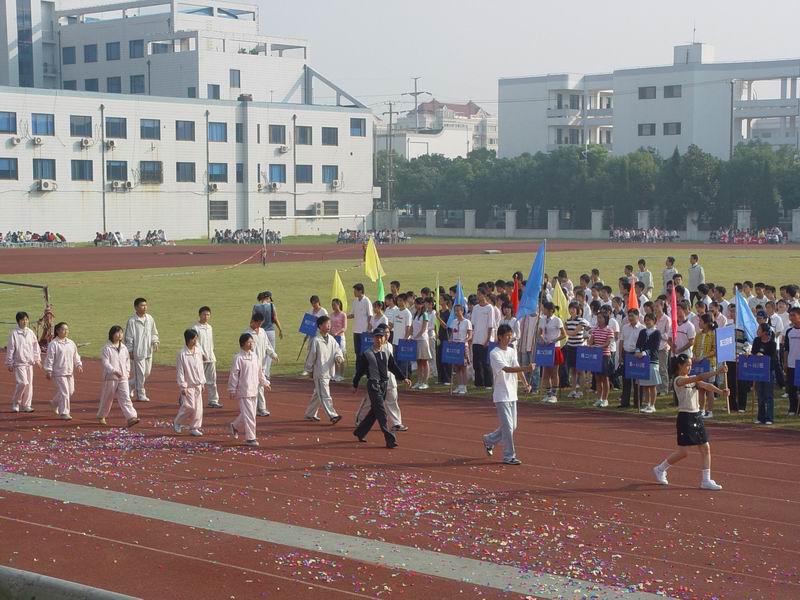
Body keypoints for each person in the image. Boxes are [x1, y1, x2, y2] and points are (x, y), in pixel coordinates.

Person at [653, 354, 728, 491]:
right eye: (687, 365)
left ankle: (706, 480)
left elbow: (706, 385)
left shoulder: (691, 379)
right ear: (679, 366)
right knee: (683, 452)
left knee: (705, 448)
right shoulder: (679, 380)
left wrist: (721, 391)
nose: (689, 367)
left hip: (697, 416)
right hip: (685, 417)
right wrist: (717, 372)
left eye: (690, 365)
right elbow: (699, 378)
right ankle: (660, 469)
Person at [482, 324, 534, 466]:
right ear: (500, 337)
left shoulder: (512, 351)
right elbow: (507, 369)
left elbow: (517, 369)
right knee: (508, 427)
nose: (509, 338)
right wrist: (527, 368)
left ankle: (489, 439)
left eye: (511, 335)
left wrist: (525, 383)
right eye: (507, 336)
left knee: (512, 426)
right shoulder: (494, 353)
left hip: (512, 393)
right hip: (501, 395)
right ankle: (509, 456)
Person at [352, 327, 412, 448]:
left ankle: (360, 432)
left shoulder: (386, 352)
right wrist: (355, 384)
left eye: (381, 337)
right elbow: (360, 371)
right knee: (381, 413)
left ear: (385, 338)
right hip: (373, 385)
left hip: (384, 385)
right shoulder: (367, 354)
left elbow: (393, 366)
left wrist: (403, 378)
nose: (379, 339)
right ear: (373, 338)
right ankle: (389, 438)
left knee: (374, 413)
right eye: (377, 337)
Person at [229, 333, 271, 447]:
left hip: (254, 389)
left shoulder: (254, 356)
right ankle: (250, 438)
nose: (252, 344)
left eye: (252, 342)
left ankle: (235, 426)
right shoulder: (238, 358)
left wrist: (265, 382)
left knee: (248, 414)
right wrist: (232, 389)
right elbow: (234, 374)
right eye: (249, 342)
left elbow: (259, 372)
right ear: (243, 344)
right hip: (244, 391)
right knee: (250, 415)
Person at [303, 315, 345, 423]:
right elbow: (311, 356)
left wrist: (339, 357)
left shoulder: (331, 339)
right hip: (320, 372)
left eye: (329, 324)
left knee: (318, 394)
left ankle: (310, 413)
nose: (329, 326)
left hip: (328, 371)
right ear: (320, 326)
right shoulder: (316, 340)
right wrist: (308, 370)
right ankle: (332, 415)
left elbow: (337, 350)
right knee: (325, 395)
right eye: (327, 324)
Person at [98, 325, 139, 427]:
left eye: (121, 332)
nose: (120, 335)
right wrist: (113, 371)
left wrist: (127, 371)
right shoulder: (106, 348)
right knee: (107, 397)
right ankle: (102, 415)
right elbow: (105, 363)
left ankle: (131, 417)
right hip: (111, 377)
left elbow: (127, 361)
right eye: (118, 332)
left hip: (123, 377)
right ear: (112, 334)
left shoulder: (124, 348)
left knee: (125, 397)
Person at [42, 322, 82, 420]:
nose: (66, 331)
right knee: (64, 392)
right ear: (57, 331)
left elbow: (75, 355)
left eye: (67, 329)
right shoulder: (54, 344)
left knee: (70, 391)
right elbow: (50, 358)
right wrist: (48, 370)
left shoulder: (71, 343)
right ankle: (64, 412)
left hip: (69, 371)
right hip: (58, 372)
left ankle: (54, 403)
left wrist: (78, 364)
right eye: (63, 329)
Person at [124, 297, 159, 403]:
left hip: (148, 351)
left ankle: (130, 385)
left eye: (145, 305)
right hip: (137, 351)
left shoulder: (150, 318)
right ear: (136, 307)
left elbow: (154, 332)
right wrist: (130, 350)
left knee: (146, 373)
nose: (144, 307)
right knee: (140, 374)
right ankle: (141, 394)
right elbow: (129, 337)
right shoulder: (132, 321)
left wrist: (155, 341)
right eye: (142, 305)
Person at [6, 311, 42, 413]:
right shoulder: (14, 333)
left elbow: (36, 347)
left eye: (26, 319)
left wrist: (37, 359)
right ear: (18, 321)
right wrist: (9, 362)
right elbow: (11, 348)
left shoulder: (30, 332)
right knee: (23, 383)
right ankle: (16, 402)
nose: (25, 322)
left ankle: (26, 405)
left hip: (29, 363)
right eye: (22, 320)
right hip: (19, 363)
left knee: (29, 385)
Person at [244, 313, 278, 417]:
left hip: (262, 364)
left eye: (261, 323)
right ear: (253, 321)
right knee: (257, 387)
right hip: (252, 365)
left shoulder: (262, 332)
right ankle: (261, 408)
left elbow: (267, 345)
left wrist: (273, 354)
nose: (259, 326)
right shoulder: (247, 334)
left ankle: (256, 407)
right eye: (257, 323)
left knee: (259, 386)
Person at [173, 329, 206, 437]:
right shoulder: (182, 354)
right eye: (194, 339)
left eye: (196, 338)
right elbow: (180, 371)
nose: (196, 341)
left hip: (198, 384)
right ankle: (177, 422)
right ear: (188, 339)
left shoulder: (198, 351)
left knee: (198, 408)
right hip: (188, 385)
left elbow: (201, 367)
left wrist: (202, 382)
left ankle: (194, 427)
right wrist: (183, 386)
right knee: (189, 406)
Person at [538, 301, 566, 403]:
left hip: (554, 348)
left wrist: (553, 340)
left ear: (550, 310)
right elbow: (540, 332)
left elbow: (564, 334)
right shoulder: (542, 320)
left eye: (544, 308)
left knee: (554, 372)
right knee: (545, 373)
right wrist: (542, 338)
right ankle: (548, 394)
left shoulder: (557, 320)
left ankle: (554, 395)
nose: (543, 310)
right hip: (545, 347)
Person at [692, 314, 719, 419]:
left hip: (709, 364)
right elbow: (694, 348)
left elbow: (715, 350)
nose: (699, 323)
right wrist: (694, 356)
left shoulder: (713, 335)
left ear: (707, 323)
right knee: (700, 387)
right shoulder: (698, 335)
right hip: (699, 364)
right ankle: (701, 409)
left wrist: (703, 356)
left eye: (701, 322)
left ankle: (710, 411)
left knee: (709, 388)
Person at [193, 306, 220, 408]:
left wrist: (210, 354)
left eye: (208, 314)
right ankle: (186, 398)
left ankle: (213, 400)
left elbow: (211, 343)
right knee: (197, 381)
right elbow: (196, 342)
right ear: (200, 315)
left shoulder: (210, 327)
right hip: (200, 359)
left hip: (211, 358)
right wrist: (202, 354)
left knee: (212, 380)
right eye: (204, 314)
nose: (206, 316)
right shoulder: (195, 328)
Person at [471, 288, 498, 389]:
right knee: (476, 362)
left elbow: (491, 325)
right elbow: (472, 324)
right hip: (476, 339)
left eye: (479, 294)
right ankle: (479, 383)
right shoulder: (476, 308)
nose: (478, 296)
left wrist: (487, 340)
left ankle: (488, 383)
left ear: (484, 295)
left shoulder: (489, 308)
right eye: (477, 294)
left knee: (486, 362)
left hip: (486, 339)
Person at [635, 312, 662, 413]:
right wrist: (637, 351)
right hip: (642, 360)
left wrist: (645, 353)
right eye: (646, 320)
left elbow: (655, 347)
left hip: (652, 360)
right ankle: (647, 404)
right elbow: (638, 343)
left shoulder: (657, 333)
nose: (647, 322)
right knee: (645, 384)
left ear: (654, 321)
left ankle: (652, 405)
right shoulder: (642, 332)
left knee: (652, 385)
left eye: (649, 320)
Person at [253, 291, 283, 379]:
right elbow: (275, 318)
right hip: (270, 331)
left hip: (259, 331)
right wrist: (280, 329)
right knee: (270, 352)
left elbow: (253, 320)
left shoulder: (256, 307)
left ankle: (258, 372)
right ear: (268, 298)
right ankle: (266, 373)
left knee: (259, 351)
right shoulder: (271, 306)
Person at [751, 322, 777, 425]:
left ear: (765, 332)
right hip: (759, 371)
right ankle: (760, 417)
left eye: (759, 330)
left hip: (769, 371)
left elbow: (773, 357)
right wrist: (753, 355)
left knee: (768, 395)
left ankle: (769, 418)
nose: (758, 331)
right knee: (760, 395)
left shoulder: (772, 344)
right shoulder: (756, 340)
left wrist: (763, 356)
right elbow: (753, 351)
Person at [619, 308, 644, 408]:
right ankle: (625, 402)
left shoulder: (642, 328)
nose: (630, 318)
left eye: (632, 316)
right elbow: (621, 341)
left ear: (638, 317)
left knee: (637, 380)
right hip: (626, 354)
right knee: (626, 379)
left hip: (637, 355)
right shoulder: (625, 327)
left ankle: (637, 403)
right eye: (629, 316)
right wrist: (620, 355)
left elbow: (643, 343)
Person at [564, 302, 589, 399]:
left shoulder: (581, 320)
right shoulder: (567, 321)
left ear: (577, 310)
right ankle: (573, 390)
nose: (572, 310)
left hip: (579, 347)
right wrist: (567, 332)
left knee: (580, 370)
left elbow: (574, 333)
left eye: (574, 308)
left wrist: (567, 332)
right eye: (570, 308)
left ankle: (581, 391)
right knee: (573, 370)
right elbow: (566, 332)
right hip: (570, 347)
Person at [589, 312, 614, 407]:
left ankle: (605, 399)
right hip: (596, 356)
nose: (599, 320)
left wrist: (598, 347)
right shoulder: (595, 330)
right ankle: (599, 398)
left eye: (601, 318)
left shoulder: (609, 330)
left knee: (605, 378)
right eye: (598, 318)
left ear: (605, 319)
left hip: (605, 356)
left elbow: (608, 343)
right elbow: (591, 341)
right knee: (597, 378)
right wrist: (590, 345)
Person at [449, 303, 473, 395]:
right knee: (457, 367)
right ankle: (459, 385)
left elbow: (470, 335)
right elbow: (452, 334)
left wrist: (464, 341)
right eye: (455, 310)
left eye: (458, 310)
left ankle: (464, 386)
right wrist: (450, 340)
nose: (456, 312)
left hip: (463, 346)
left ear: (462, 311)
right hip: (455, 346)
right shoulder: (454, 322)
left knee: (463, 367)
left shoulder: (467, 322)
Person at [411, 297, 432, 389]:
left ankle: (425, 381)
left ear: (422, 305)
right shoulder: (415, 314)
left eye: (417, 304)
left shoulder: (425, 315)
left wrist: (416, 337)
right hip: (416, 340)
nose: (415, 305)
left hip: (422, 340)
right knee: (419, 361)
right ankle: (419, 381)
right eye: (415, 304)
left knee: (424, 360)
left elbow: (423, 329)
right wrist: (411, 336)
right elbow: (412, 327)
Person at [349, 283, 373, 360]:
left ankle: (365, 367)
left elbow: (370, 315)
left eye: (355, 291)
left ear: (360, 291)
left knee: (364, 350)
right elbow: (352, 315)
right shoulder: (355, 301)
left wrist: (369, 327)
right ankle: (358, 367)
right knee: (357, 350)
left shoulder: (367, 301)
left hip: (364, 330)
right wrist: (343, 316)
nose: (354, 293)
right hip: (356, 330)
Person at [784, 307, 800, 415]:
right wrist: (785, 362)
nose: (791, 317)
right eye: (790, 315)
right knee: (791, 388)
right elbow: (786, 348)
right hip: (791, 364)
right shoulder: (789, 331)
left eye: (794, 315)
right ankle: (792, 408)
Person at [330, 298, 348, 382]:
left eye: (334, 305)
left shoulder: (343, 314)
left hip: (340, 337)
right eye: (332, 305)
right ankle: (336, 374)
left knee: (341, 356)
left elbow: (344, 327)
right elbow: (330, 326)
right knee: (334, 356)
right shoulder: (331, 315)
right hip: (332, 337)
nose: (333, 306)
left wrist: (337, 333)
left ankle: (341, 374)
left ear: (339, 305)